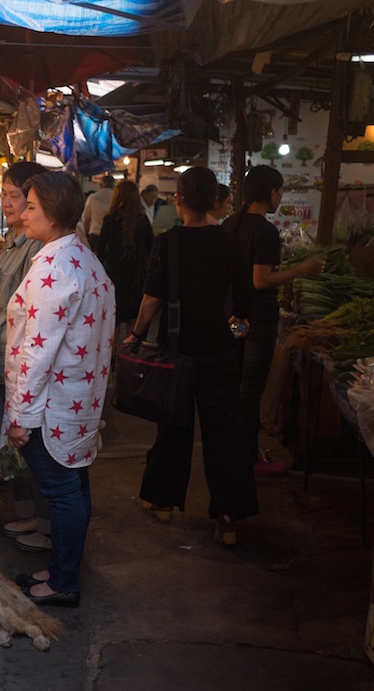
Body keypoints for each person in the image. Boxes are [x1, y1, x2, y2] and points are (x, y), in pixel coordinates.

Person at [124, 167, 258, 546]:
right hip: (219, 348)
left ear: (179, 198)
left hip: (178, 348)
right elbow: (243, 298)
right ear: (214, 200)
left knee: (174, 426)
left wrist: (135, 335)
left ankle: (163, 501)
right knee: (225, 433)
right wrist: (239, 322)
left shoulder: (168, 243)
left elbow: (152, 298)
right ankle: (228, 517)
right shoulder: (230, 243)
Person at [5, 171, 115, 608]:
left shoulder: (55, 265)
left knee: (63, 491)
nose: (24, 213)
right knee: (74, 486)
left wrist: (21, 417)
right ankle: (60, 570)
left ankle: (65, 582)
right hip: (77, 402)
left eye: (31, 206)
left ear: (52, 213)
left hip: (53, 406)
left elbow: (37, 350)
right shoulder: (83, 258)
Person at [222, 165, 324, 475]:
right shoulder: (265, 231)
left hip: (231, 317)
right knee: (251, 390)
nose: (280, 197)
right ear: (271, 193)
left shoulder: (230, 225)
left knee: (234, 387)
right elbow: (261, 280)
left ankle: (231, 451)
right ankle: (249, 458)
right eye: (279, 192)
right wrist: (304, 269)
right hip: (258, 318)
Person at [0, 161, 50, 549]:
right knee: (8, 442)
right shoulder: (13, 239)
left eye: (14, 196)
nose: (6, 202)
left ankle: (45, 523)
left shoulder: (38, 247)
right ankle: (27, 515)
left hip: (14, 359)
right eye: (3, 194)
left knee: (25, 445)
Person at [95, 180, 153, 326]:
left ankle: (113, 348)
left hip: (114, 274)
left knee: (114, 319)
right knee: (133, 317)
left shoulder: (110, 219)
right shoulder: (143, 219)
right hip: (137, 276)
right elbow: (151, 247)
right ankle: (128, 348)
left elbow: (100, 248)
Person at [79, 174, 115, 252]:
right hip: (112, 239)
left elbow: (87, 219)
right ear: (113, 185)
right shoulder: (116, 199)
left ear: (101, 185)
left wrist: (86, 235)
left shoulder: (93, 197)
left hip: (94, 236)